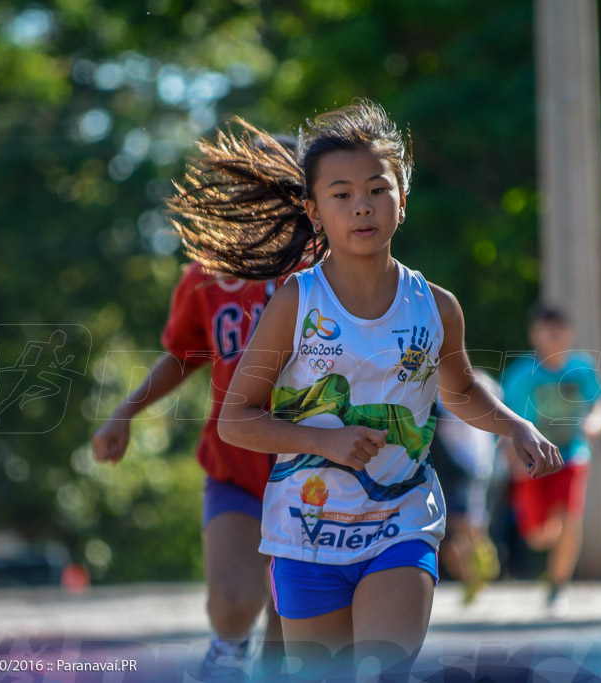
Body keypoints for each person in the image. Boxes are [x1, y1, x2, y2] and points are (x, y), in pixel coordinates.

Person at [173, 100, 563, 677]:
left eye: (378, 189)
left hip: (400, 524)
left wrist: (516, 424)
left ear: (401, 200)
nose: (362, 205)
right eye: (341, 193)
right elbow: (237, 420)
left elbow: (456, 392)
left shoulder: (436, 307)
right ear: (313, 210)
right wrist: (325, 442)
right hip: (306, 532)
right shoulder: (293, 305)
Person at [90, 138, 298, 682]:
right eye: (244, 190)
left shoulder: (326, 271)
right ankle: (225, 657)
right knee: (233, 603)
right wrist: (124, 412)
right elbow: (184, 355)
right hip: (237, 466)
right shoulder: (207, 276)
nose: (257, 204)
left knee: (291, 620)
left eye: (274, 191)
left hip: (313, 468)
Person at [501, 306, 601, 616]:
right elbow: (505, 420)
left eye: (558, 328)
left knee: (569, 518)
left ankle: (558, 586)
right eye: (546, 329)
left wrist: (595, 424)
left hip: (571, 454)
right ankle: (550, 555)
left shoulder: (582, 368)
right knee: (538, 535)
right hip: (533, 459)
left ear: (569, 333)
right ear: (534, 334)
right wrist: (511, 458)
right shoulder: (521, 374)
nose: (552, 335)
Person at [429, 370, 503, 604]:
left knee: (465, 524)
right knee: (450, 531)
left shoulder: (477, 382)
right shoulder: (431, 385)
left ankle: (482, 566)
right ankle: (472, 577)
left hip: (469, 466)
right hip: (449, 470)